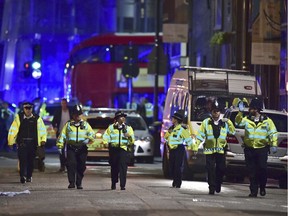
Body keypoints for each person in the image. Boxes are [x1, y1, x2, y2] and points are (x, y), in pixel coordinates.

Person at [235, 98, 278, 197]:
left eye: (251, 108)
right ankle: (253, 191)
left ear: (256, 109)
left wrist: (274, 144)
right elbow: (238, 122)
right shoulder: (247, 119)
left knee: (262, 169)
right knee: (252, 171)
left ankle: (262, 186)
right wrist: (240, 112)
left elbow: (273, 133)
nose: (249, 110)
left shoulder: (267, 121)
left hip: (262, 149)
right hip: (249, 149)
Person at [194, 100, 235, 195]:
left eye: (217, 111)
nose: (215, 113)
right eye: (214, 111)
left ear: (220, 112)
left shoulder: (224, 123)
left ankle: (218, 183)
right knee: (210, 169)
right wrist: (196, 146)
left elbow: (232, 132)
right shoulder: (206, 122)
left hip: (220, 150)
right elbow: (200, 135)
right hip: (209, 150)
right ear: (211, 112)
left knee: (221, 169)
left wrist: (229, 122)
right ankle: (211, 187)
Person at [56, 105, 95, 189]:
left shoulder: (86, 125)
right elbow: (62, 135)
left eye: (79, 114)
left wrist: (88, 140)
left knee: (81, 166)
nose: (77, 116)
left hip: (82, 148)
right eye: (76, 114)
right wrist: (60, 146)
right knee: (71, 164)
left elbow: (92, 134)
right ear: (72, 115)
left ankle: (79, 182)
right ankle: (72, 182)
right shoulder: (68, 125)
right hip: (71, 147)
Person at [8, 101, 47, 183]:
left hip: (33, 144)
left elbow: (42, 130)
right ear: (23, 109)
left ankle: (29, 176)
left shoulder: (37, 118)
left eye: (29, 108)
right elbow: (13, 130)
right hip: (22, 143)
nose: (28, 110)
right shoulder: (19, 118)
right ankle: (23, 176)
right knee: (22, 160)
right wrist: (11, 142)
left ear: (32, 109)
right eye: (26, 108)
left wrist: (43, 140)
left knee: (30, 161)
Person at [103, 111, 135, 190]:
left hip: (123, 149)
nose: (123, 118)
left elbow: (132, 140)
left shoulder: (128, 128)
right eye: (121, 116)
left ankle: (122, 185)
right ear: (117, 118)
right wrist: (106, 142)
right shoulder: (111, 127)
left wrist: (129, 136)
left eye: (124, 116)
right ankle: (114, 182)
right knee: (114, 167)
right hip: (114, 149)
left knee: (123, 167)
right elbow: (106, 136)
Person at [164, 111, 194, 188]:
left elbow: (188, 139)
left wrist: (194, 148)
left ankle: (178, 182)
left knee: (178, 166)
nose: (172, 119)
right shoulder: (171, 128)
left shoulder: (182, 129)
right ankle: (175, 179)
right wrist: (168, 133)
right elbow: (166, 138)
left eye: (173, 118)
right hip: (172, 149)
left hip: (179, 149)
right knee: (172, 166)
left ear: (176, 120)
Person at [52, 98, 72, 172]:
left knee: (70, 150)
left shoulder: (70, 111)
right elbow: (53, 121)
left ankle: (69, 165)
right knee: (61, 150)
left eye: (65, 103)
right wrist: (55, 127)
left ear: (66, 104)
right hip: (60, 133)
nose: (63, 105)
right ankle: (62, 166)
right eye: (62, 103)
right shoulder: (58, 112)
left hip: (70, 134)